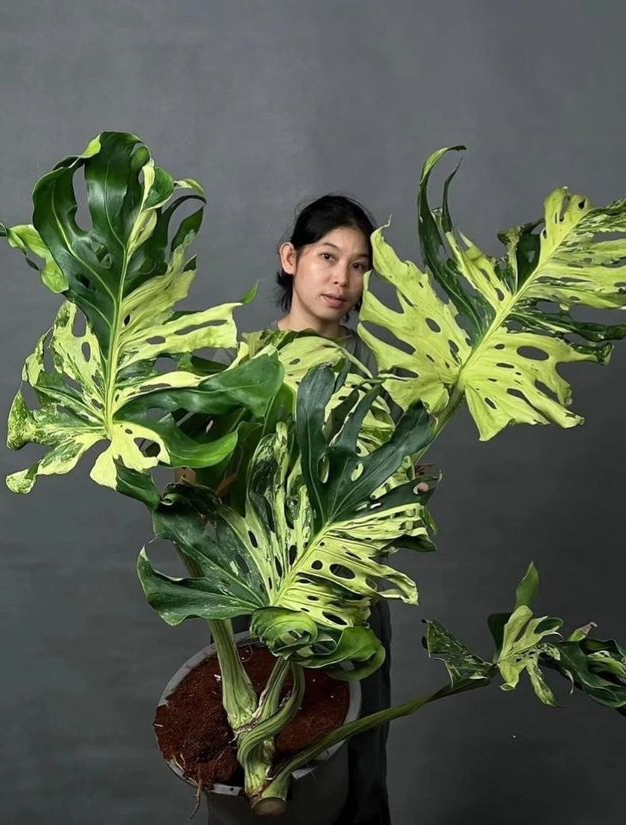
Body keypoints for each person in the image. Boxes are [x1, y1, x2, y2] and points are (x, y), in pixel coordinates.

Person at [272, 194, 392, 825]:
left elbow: (395, 467)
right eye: (327, 256)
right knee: (271, 765)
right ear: (292, 260)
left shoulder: (381, 364)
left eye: (360, 265)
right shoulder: (252, 363)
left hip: (353, 586)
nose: (343, 278)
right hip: (272, 588)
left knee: (359, 767)